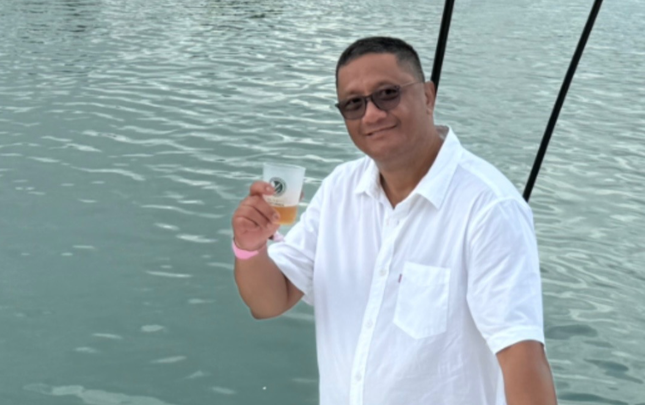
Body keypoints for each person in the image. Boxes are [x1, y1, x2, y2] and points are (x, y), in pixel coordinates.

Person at [231, 36, 558, 405]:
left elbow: (522, 358)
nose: (371, 114)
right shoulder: (340, 189)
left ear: (428, 97)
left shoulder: (489, 207)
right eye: (354, 103)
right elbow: (269, 302)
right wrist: (250, 248)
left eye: (388, 94)